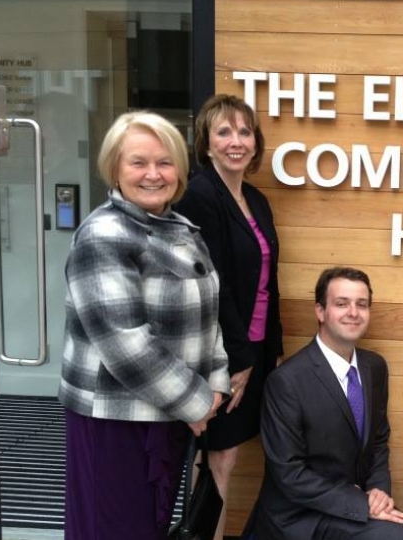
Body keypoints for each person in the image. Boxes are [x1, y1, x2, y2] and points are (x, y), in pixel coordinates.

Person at [58, 111, 228, 540]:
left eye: (165, 162)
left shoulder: (179, 229)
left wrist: (217, 383)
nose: (154, 174)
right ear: (114, 168)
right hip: (115, 426)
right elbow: (126, 344)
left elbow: (209, 317)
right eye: (139, 162)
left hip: (167, 418)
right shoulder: (103, 235)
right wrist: (197, 402)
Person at [243, 267, 403, 540]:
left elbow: (379, 440)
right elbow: (289, 473)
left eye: (362, 304)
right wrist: (361, 505)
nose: (353, 312)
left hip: (354, 507)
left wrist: (379, 491)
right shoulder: (286, 381)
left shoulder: (374, 367)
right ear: (320, 312)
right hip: (301, 517)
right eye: (341, 303)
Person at [175, 94, 283, 539]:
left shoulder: (255, 199)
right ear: (206, 143)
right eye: (223, 131)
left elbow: (267, 282)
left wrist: (267, 350)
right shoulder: (199, 196)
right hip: (221, 352)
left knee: (228, 455)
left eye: (244, 131)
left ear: (256, 143)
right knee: (218, 456)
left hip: (253, 348)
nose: (235, 141)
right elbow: (211, 286)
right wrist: (237, 358)